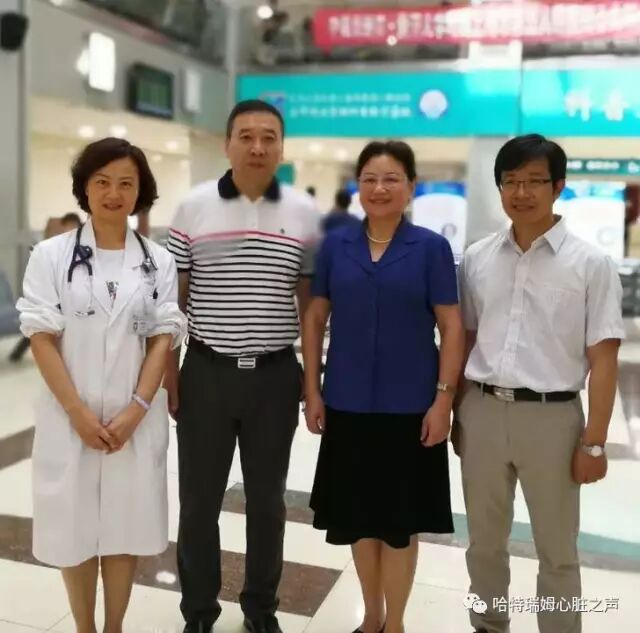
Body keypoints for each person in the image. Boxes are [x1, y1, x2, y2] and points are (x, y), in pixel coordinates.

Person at [454, 134, 625, 633]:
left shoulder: (590, 264)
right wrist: (459, 411)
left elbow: (604, 359)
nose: (521, 192)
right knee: (483, 542)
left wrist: (594, 443)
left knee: (557, 549)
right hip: (483, 410)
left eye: (534, 181)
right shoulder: (479, 257)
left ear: (558, 186)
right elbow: (466, 339)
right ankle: (488, 625)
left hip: (554, 420)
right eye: (510, 181)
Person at [16, 137, 186, 633]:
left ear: (140, 192)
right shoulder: (50, 255)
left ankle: (114, 627)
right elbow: (41, 337)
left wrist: (137, 409)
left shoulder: (158, 261)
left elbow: (162, 338)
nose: (114, 193)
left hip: (134, 420)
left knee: (123, 529)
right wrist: (78, 413)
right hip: (70, 415)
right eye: (102, 182)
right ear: (84, 188)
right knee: (73, 531)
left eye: (126, 184)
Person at [165, 99, 319, 633]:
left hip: (275, 377)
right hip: (206, 373)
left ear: (281, 147)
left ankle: (260, 609)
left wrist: (312, 384)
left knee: (268, 504)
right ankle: (198, 612)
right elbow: (174, 302)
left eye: (269, 137)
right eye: (246, 136)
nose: (257, 146)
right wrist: (170, 376)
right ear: (227, 143)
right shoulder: (193, 208)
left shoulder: (303, 212)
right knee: (198, 503)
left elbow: (309, 307)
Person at [303, 141, 465, 633]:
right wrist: (313, 389)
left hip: (410, 407)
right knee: (358, 520)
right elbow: (314, 318)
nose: (379, 188)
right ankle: (370, 617)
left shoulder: (431, 248)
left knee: (398, 525)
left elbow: (451, 327)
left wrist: (443, 400)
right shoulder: (336, 246)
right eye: (369, 179)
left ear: (411, 187)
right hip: (347, 403)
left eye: (392, 178)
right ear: (358, 186)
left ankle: (395, 623)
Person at [9, 213, 83, 362]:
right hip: (53, 292)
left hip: (71, 293)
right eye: (67, 226)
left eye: (72, 226)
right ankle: (18, 354)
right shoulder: (54, 245)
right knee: (41, 325)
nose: (69, 229)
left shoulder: (84, 246)